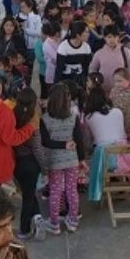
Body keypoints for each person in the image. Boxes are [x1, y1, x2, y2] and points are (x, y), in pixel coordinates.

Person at [40, 83, 84, 235]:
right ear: (68, 99)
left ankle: (54, 224)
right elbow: (79, 139)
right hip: (72, 160)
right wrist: (82, 158)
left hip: (54, 161)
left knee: (55, 191)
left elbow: (45, 141)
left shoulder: (44, 119)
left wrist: (61, 144)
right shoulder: (74, 117)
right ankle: (72, 221)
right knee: (72, 190)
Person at [8, 88, 47, 241]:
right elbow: (37, 148)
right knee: (28, 196)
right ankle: (25, 229)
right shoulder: (34, 121)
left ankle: (37, 218)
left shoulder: (10, 116)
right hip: (31, 163)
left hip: (16, 162)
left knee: (27, 192)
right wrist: (45, 168)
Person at [88, 25, 130, 94]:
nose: (112, 40)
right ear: (104, 38)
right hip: (103, 90)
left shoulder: (125, 51)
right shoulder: (99, 53)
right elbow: (92, 70)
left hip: (121, 90)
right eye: (109, 37)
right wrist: (96, 83)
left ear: (118, 37)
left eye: (115, 36)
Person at [54, 21, 92, 87]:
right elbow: (59, 69)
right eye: (86, 32)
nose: (88, 34)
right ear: (78, 35)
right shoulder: (63, 47)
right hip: (65, 80)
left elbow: (86, 67)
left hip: (80, 80)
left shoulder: (86, 47)